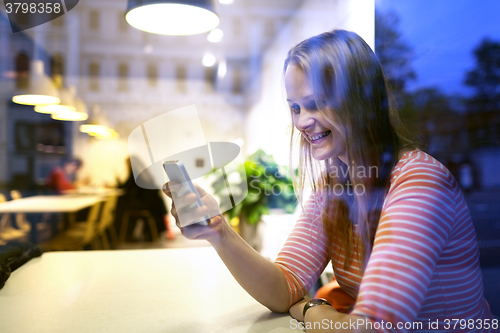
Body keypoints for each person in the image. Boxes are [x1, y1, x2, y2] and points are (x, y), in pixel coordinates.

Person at [163, 30, 498, 332]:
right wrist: (217, 231)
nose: (303, 121)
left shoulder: (419, 183)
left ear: (361, 101)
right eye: (295, 107)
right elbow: (284, 287)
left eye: (318, 103)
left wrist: (310, 309)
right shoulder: (335, 184)